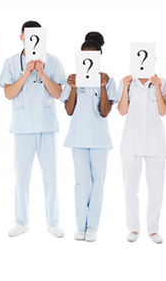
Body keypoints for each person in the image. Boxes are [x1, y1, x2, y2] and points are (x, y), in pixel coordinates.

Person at [0, 20, 66, 238]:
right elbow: (8, 94)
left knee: (51, 177)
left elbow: (58, 94)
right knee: (21, 177)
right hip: (23, 127)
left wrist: (43, 73)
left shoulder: (53, 61)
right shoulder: (11, 62)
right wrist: (26, 73)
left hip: (46, 127)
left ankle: (53, 222)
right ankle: (21, 221)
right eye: (27, 36)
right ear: (21, 38)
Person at [61, 32, 116, 242]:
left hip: (99, 139)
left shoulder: (107, 80)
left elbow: (104, 112)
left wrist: (102, 87)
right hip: (78, 138)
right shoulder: (74, 79)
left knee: (97, 182)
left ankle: (92, 226)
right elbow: (68, 109)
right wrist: (73, 88)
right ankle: (80, 225)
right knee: (81, 182)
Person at [116, 61, 166, 244]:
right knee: (130, 187)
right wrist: (125, 88)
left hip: (155, 141)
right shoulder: (127, 82)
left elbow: (163, 111)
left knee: (156, 188)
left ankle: (153, 228)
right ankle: (133, 227)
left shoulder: (161, 81)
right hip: (132, 140)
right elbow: (122, 111)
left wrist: (158, 87)